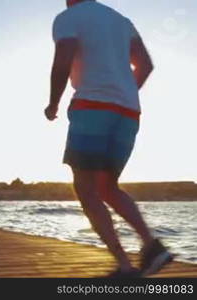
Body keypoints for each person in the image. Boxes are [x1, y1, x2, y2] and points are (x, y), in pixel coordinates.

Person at [45, 0, 174, 278]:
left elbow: (63, 59)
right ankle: (152, 246)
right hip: (128, 112)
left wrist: (53, 103)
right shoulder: (121, 20)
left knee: (86, 188)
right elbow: (146, 65)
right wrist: (124, 90)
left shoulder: (69, 17)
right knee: (107, 186)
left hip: (92, 106)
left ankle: (125, 266)